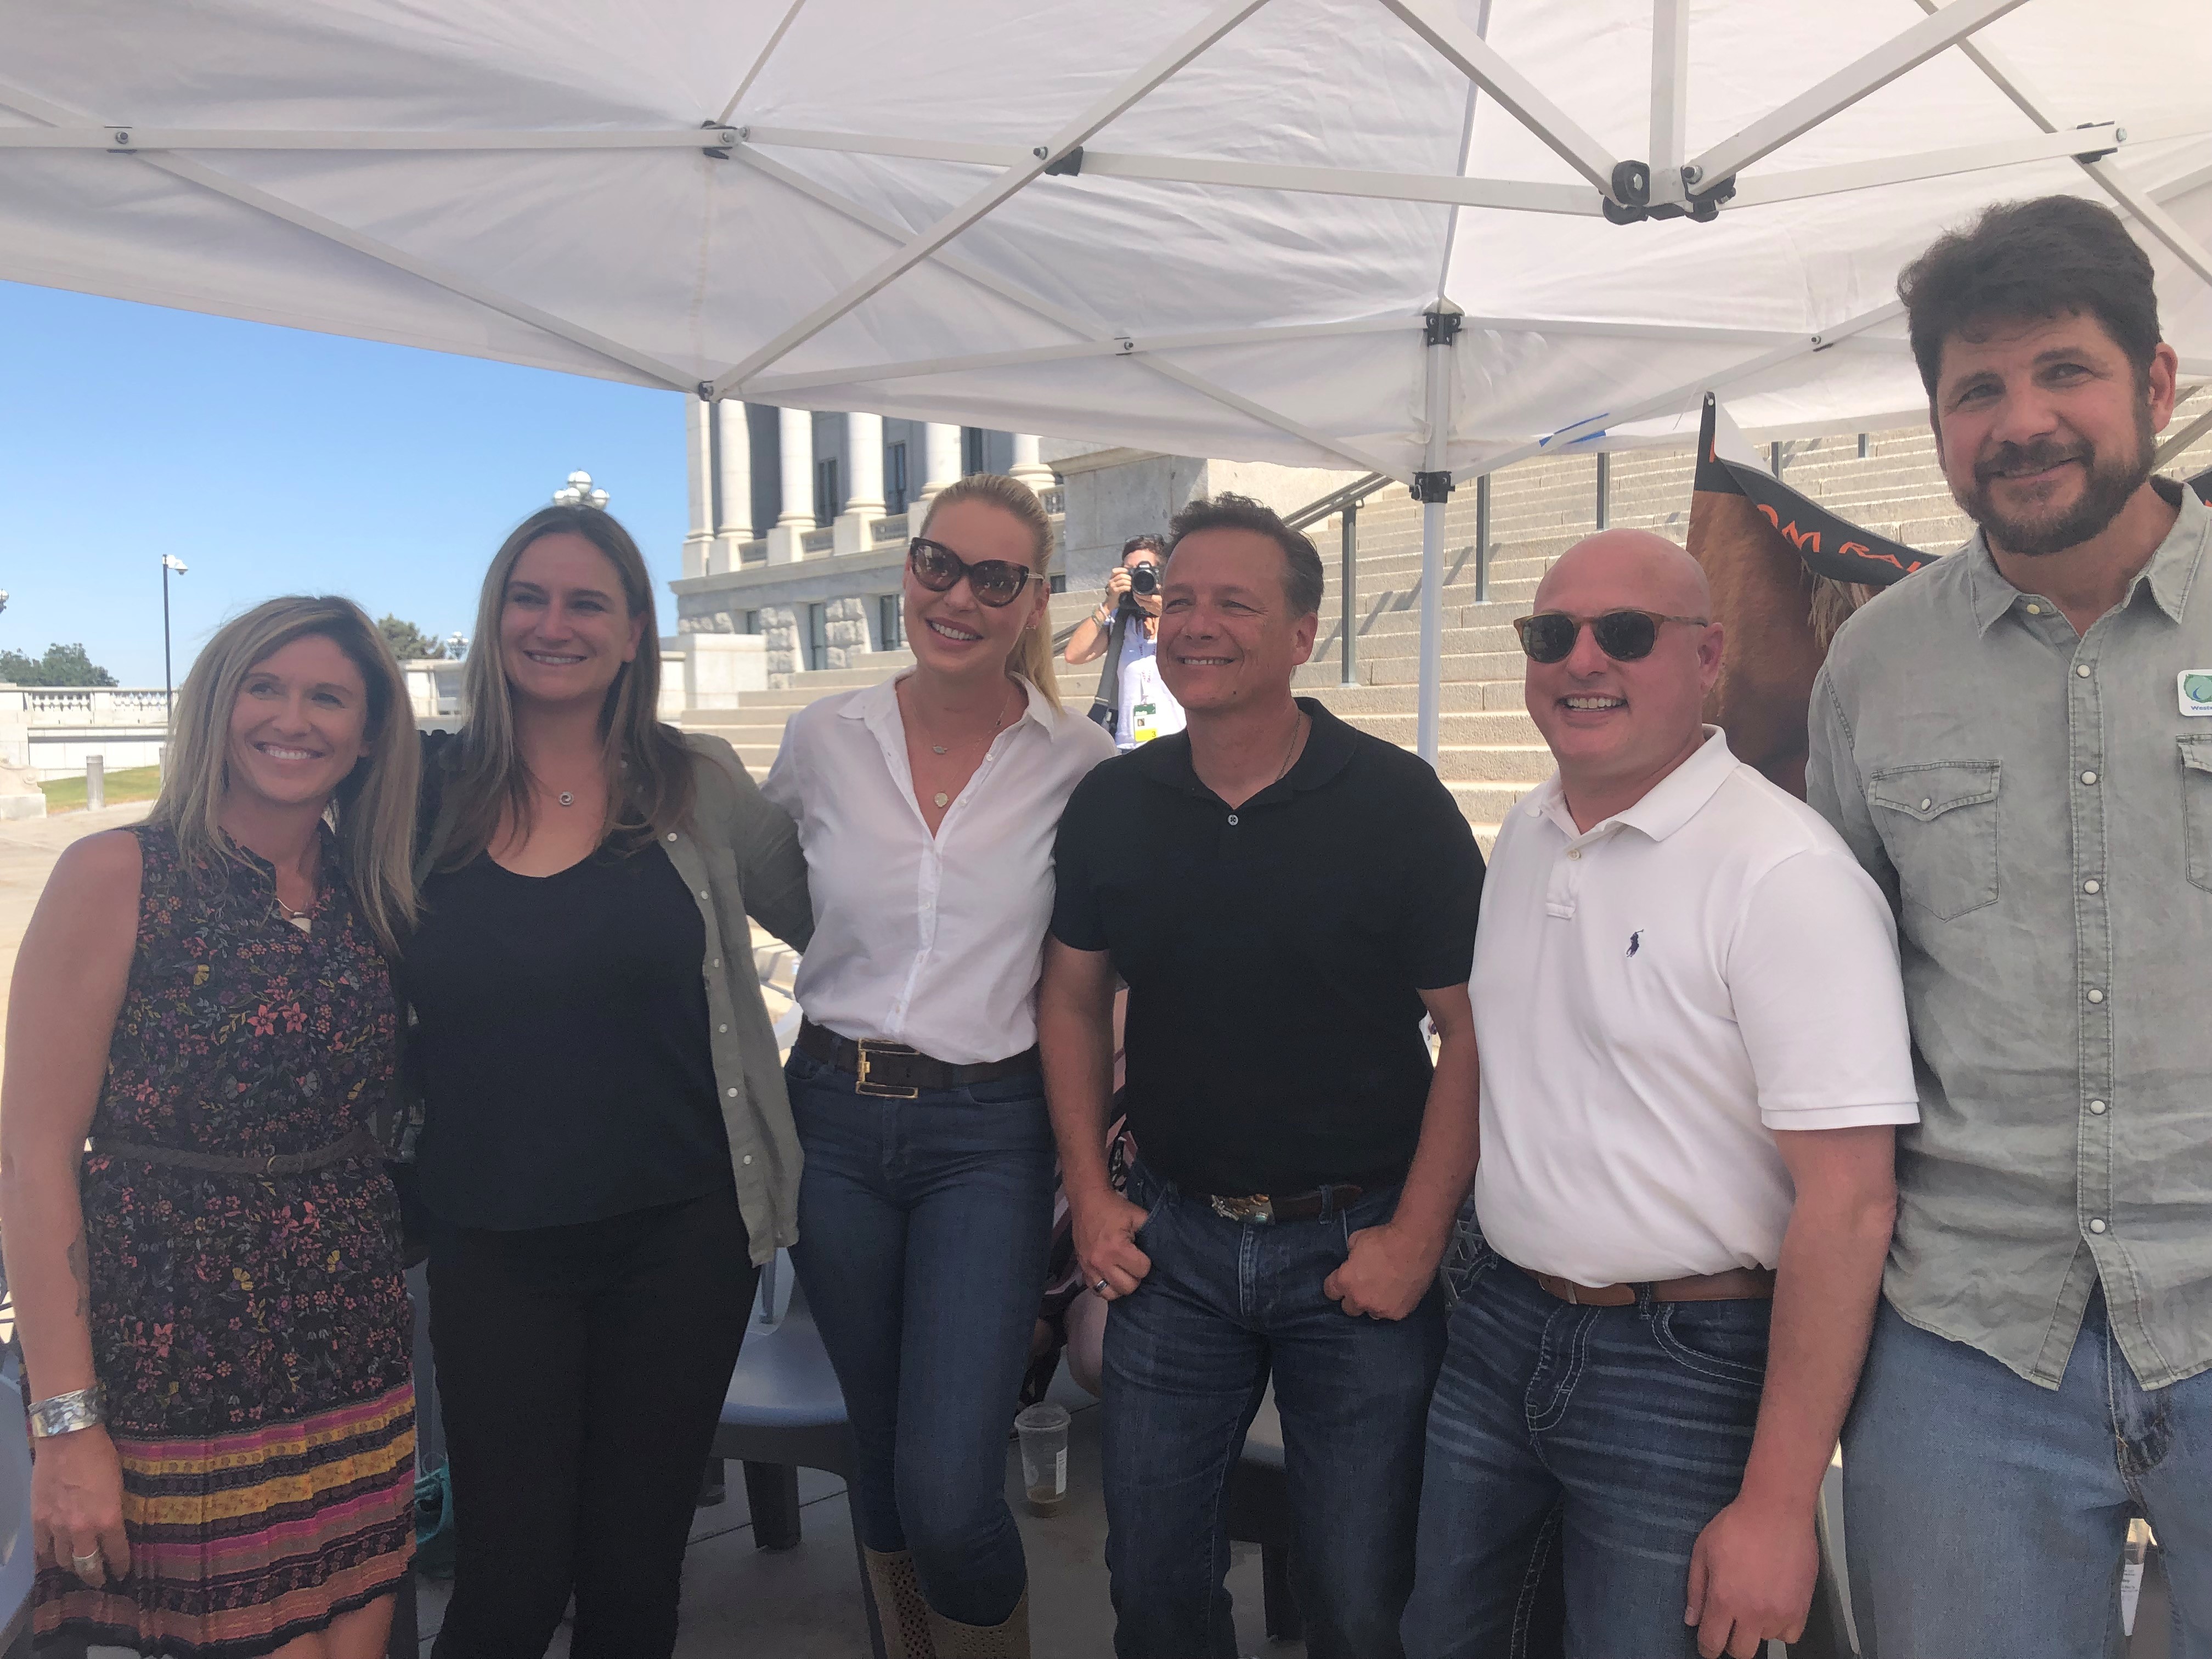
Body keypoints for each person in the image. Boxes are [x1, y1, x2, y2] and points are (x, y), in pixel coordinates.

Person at [1807, 194, 2212, 1653]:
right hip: (1970, 1337)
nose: (2021, 420)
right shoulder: (1874, 667)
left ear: (2156, 385)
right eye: (1977, 389)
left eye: (2064, 373)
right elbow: (1834, 1000)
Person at [1402, 530, 1918, 1659]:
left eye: (1626, 634)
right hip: (1500, 1324)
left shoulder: (1783, 874)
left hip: (1687, 1360)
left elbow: (1849, 1204)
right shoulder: (1534, 831)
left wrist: (1781, 1507)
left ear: (1709, 657)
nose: (1583, 659)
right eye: (1553, 634)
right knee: (1446, 1638)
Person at [1039, 492, 1484, 1659]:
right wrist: (1090, 1194)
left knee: (1357, 1593)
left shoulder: (1397, 804)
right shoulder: (1113, 804)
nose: (1195, 624)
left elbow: (1476, 1035)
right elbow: (1075, 1001)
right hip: (1172, 1246)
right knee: (1156, 1585)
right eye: (1177, 600)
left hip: (1356, 1244)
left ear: (1302, 633)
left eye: (1234, 602)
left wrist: (1418, 1238)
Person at [400, 505, 811, 1658]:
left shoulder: (699, 783)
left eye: (588, 602)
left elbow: (851, 927)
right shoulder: (419, 792)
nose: (554, 624)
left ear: (635, 633)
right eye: (529, 598)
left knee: (635, 1581)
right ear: (494, 623)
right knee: (511, 1584)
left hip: (681, 1235)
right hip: (494, 1240)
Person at [1, 596, 421, 1657]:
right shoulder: (119, 872)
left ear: (369, 732)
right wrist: (65, 1424)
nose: (294, 718)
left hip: (350, 1332)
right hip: (176, 1347)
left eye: (329, 695)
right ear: (216, 706)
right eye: (263, 686)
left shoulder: (367, 890)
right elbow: (29, 1156)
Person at [763, 473, 1115, 1658]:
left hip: (989, 1132)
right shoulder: (825, 737)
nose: (957, 596)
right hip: (834, 1118)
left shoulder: (1082, 765)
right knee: (878, 1450)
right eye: (936, 564)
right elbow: (773, 894)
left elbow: (1105, 966)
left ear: (1034, 600)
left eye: (994, 577)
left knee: (949, 1485)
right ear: (906, 569)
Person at [1064, 534, 1187, 750]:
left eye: (1144, 569)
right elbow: (1074, 655)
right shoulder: (1121, 622)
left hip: (1179, 744)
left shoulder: (1180, 617)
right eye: (1130, 571)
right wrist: (1108, 604)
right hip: (1128, 747)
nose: (1138, 577)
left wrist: (1166, 611)